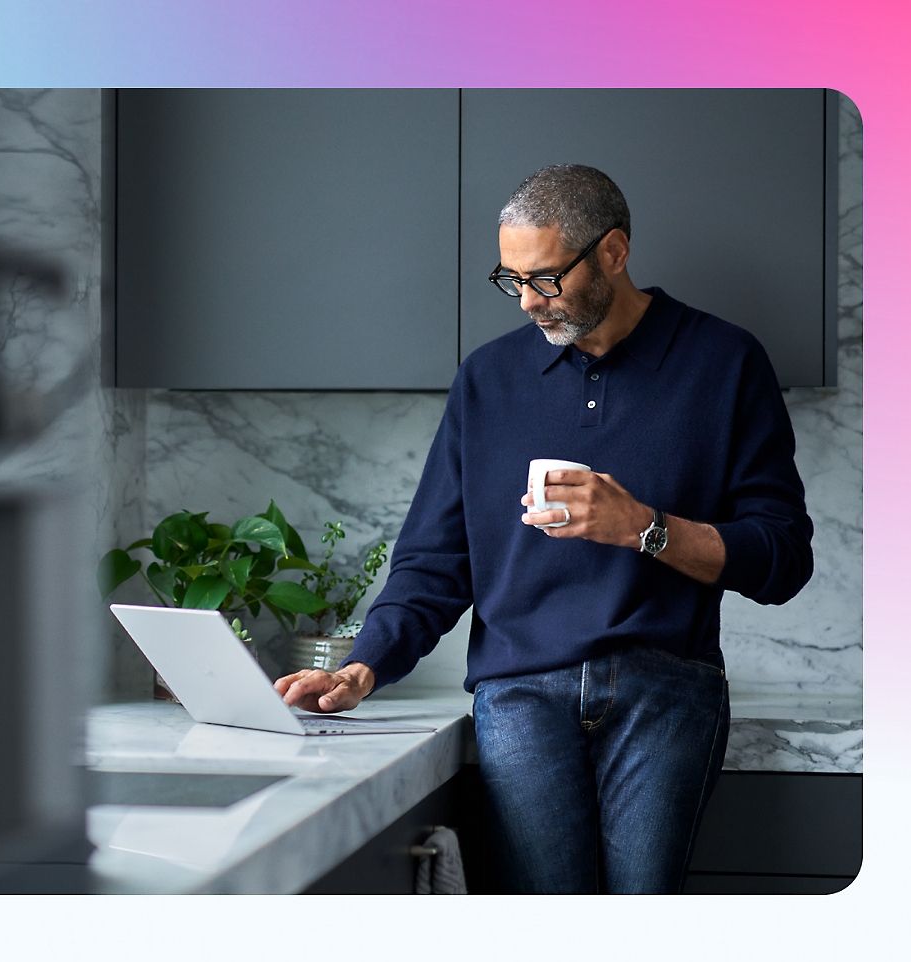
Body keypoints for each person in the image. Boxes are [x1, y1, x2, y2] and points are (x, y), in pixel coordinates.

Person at [273, 164, 813, 893]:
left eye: (548, 278)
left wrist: (643, 527)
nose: (527, 300)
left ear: (614, 252)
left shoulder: (724, 361)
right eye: (511, 278)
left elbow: (783, 558)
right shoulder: (487, 380)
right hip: (519, 692)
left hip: (668, 686)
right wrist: (363, 666)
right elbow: (435, 561)